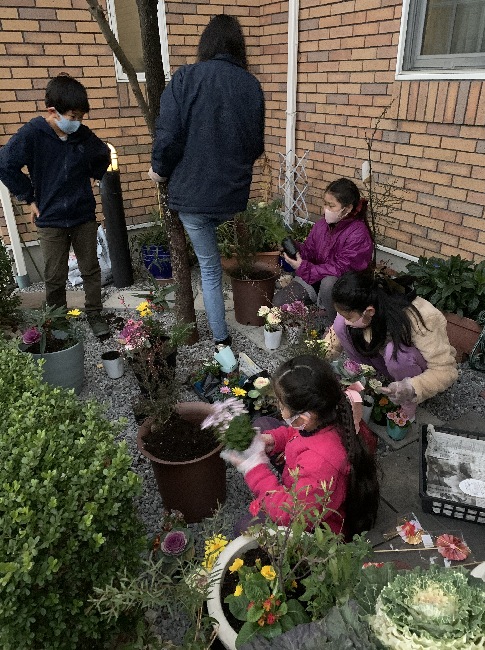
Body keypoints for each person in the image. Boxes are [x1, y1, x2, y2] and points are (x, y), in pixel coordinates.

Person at [149, 14, 265, 348]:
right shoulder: (250, 84)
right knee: (216, 264)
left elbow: (168, 136)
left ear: (207, 44)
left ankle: (221, 341)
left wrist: (159, 169)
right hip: (231, 198)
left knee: (210, 269)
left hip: (192, 198)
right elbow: (255, 145)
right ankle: (224, 335)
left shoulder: (185, 78)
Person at [221, 355, 379, 539]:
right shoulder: (332, 412)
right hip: (311, 480)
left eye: (281, 404)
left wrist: (254, 468)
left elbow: (291, 515)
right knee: (264, 424)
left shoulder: (320, 464)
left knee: (244, 528)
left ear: (304, 417)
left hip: (319, 525)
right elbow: (298, 434)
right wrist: (272, 439)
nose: (278, 407)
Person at [0, 74, 111, 336]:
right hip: (50, 218)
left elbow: (103, 154)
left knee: (91, 269)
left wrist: (95, 172)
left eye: (81, 117)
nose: (77, 122)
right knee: (54, 275)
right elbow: (5, 164)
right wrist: (29, 197)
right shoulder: (33, 134)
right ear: (53, 111)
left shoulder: (82, 135)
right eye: (73, 116)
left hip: (83, 214)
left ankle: (95, 314)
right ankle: (58, 321)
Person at [325, 270, 459, 419]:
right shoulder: (358, 303)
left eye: (349, 317)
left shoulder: (423, 317)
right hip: (386, 364)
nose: (346, 321)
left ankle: (407, 402)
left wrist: (412, 387)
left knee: (396, 353)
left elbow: (446, 371)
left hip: (415, 370)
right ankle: (366, 378)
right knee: (339, 325)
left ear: (369, 311)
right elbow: (332, 342)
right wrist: (315, 359)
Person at [273, 178, 373, 326]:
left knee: (329, 283)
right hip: (317, 278)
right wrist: (295, 249)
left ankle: (334, 327)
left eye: (331, 205)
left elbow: (340, 269)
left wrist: (304, 268)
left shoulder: (358, 233)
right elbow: (309, 251)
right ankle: (321, 309)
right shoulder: (322, 225)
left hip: (343, 288)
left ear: (348, 208)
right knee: (279, 302)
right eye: (325, 203)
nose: (326, 209)